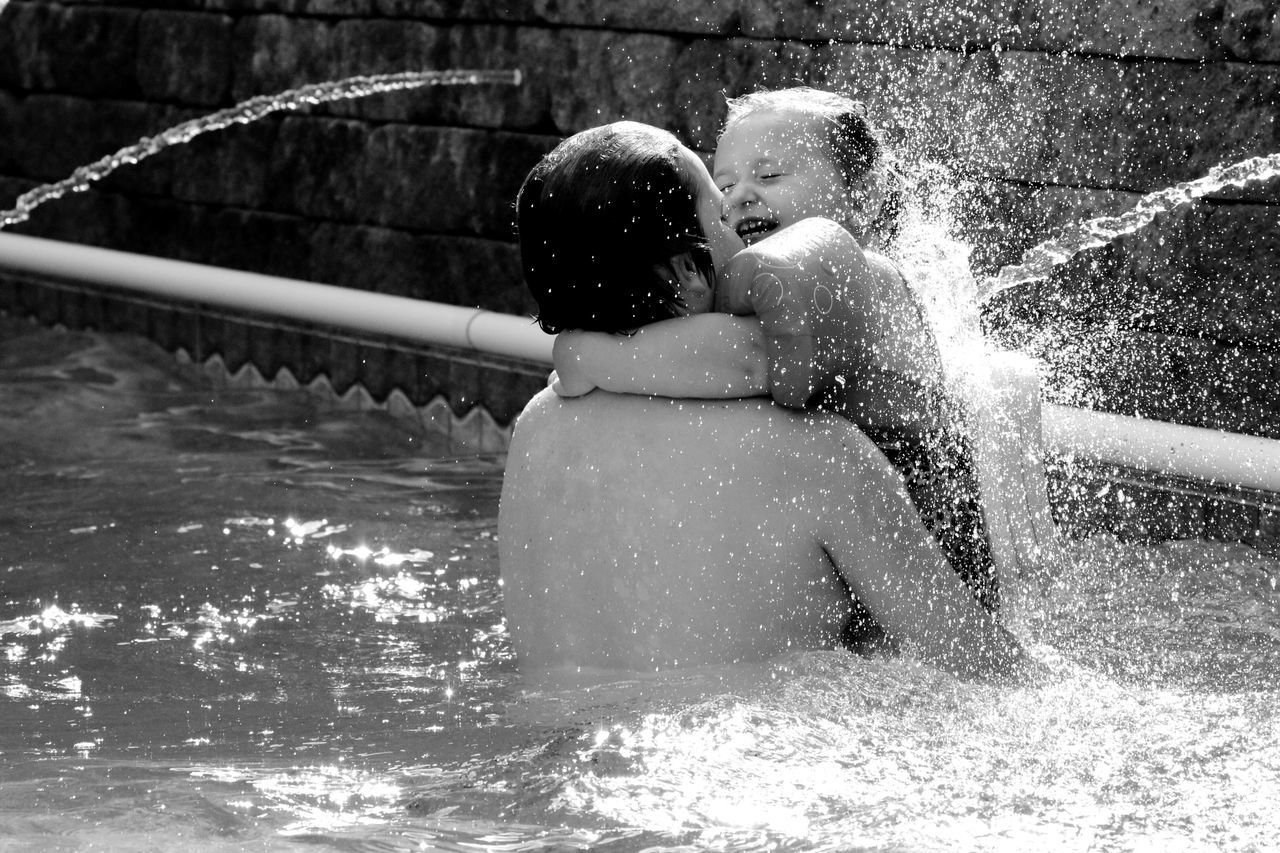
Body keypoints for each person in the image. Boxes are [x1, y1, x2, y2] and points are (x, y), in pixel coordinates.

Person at [501, 120, 1028, 679]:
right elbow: (988, 672)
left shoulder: (535, 429)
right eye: (722, 217)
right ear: (687, 273)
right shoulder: (813, 453)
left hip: (553, 754)